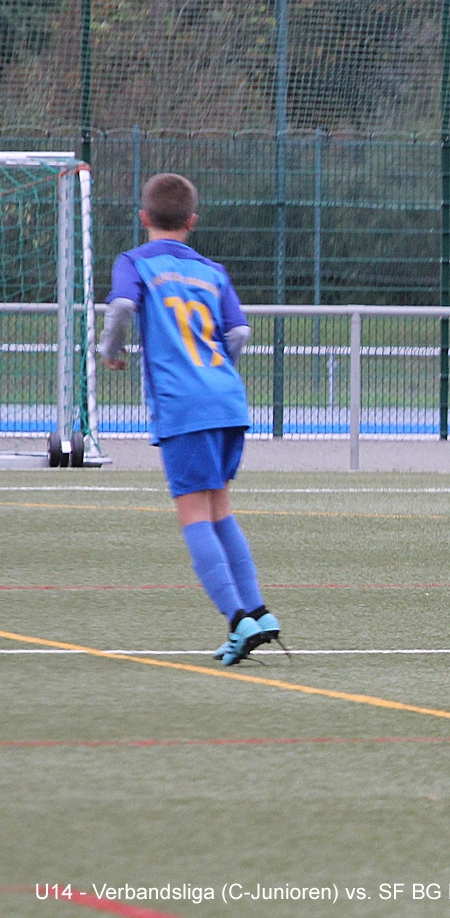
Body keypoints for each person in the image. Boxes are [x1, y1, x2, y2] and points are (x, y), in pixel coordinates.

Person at [99, 173, 281, 665]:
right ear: (192, 221)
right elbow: (239, 332)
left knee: (194, 515)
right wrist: (214, 372)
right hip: (228, 398)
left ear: (143, 217)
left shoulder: (135, 261)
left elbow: (122, 304)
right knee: (220, 508)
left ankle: (237, 620)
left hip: (184, 406)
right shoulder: (211, 270)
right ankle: (258, 611)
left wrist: (109, 351)